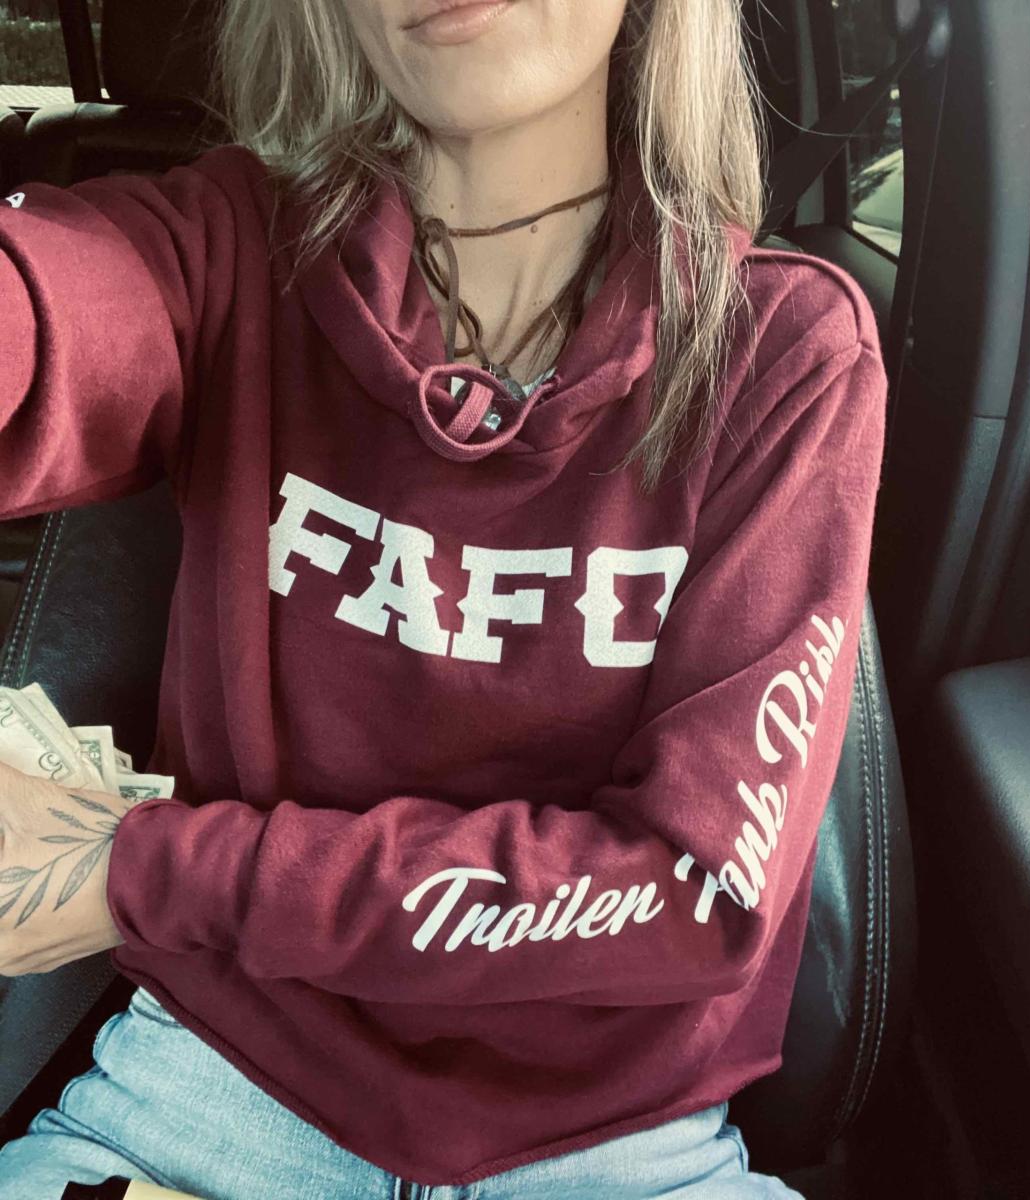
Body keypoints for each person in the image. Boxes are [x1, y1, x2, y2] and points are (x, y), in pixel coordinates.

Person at [0, 0, 887, 1196]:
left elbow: (694, 894)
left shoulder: (785, 349)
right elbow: (44, 315)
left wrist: (143, 874)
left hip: (622, 1154)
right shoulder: (222, 250)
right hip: (205, 1094)